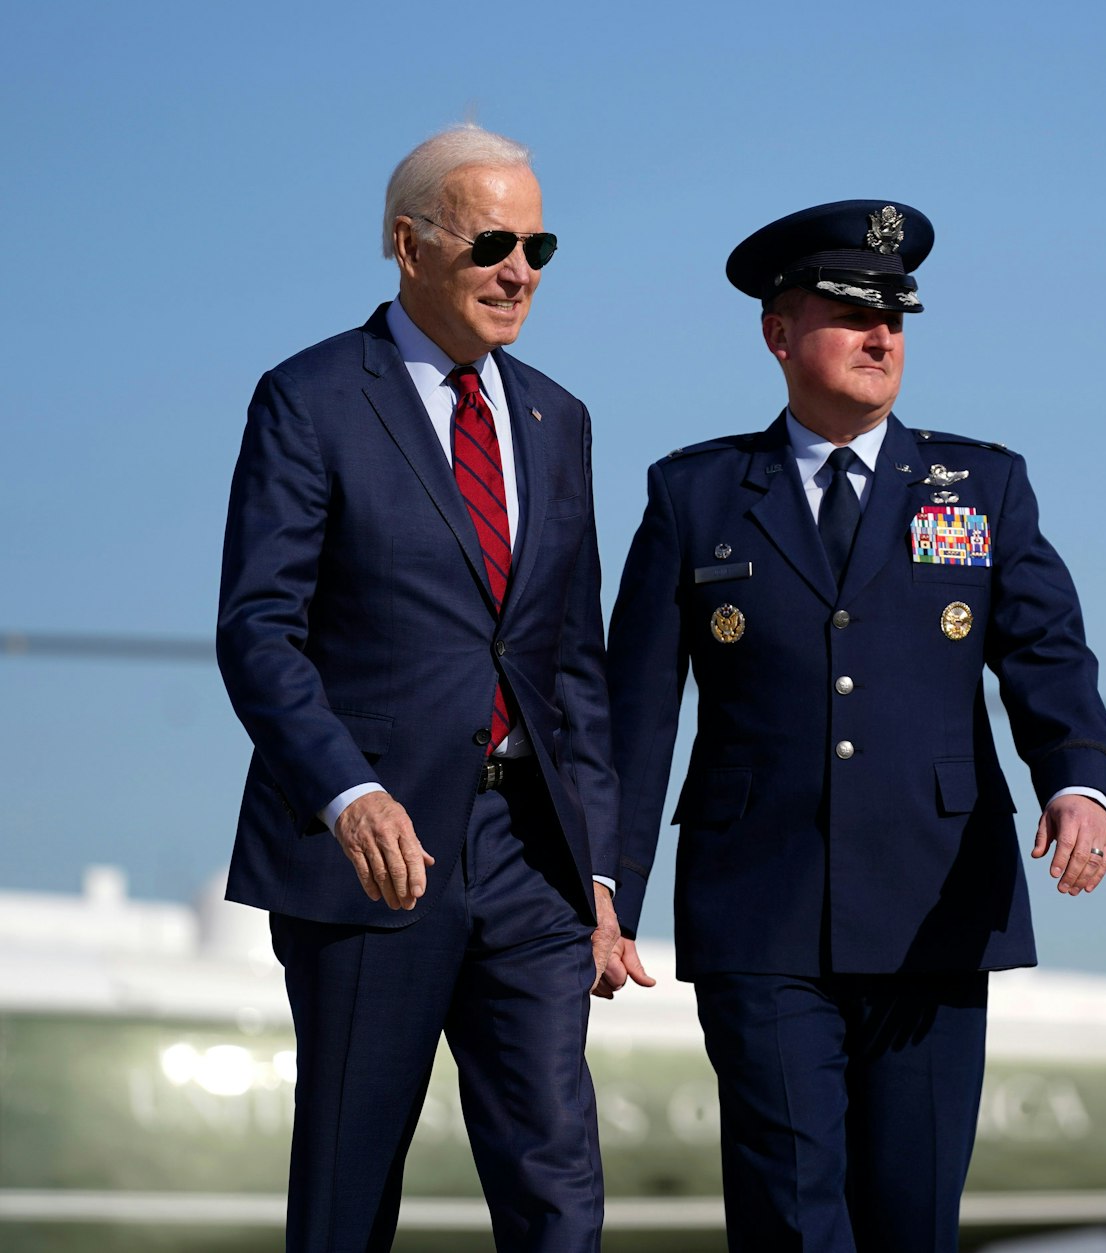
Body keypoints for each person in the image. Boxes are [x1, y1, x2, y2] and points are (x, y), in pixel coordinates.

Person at [604, 200, 1106, 1251]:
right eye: (849, 312)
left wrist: (1077, 777)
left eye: (895, 315)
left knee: (910, 1219)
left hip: (934, 902)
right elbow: (635, 712)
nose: (882, 335)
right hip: (759, 908)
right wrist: (605, 887)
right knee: (791, 1214)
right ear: (777, 330)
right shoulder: (692, 495)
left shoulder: (980, 484)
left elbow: (1046, 652)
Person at [216, 123, 644, 1253]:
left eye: (539, 244)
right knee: (350, 1194)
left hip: (530, 859)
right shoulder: (307, 398)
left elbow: (569, 666)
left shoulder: (560, 417)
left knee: (558, 1178)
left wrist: (597, 868)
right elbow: (258, 632)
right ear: (406, 245)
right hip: (373, 854)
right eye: (493, 242)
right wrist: (347, 792)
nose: (521, 270)